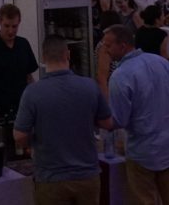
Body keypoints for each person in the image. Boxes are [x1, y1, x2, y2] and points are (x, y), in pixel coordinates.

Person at [14, 35, 114, 205]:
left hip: (51, 179)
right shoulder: (89, 86)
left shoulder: (32, 92)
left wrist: (33, 144)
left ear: (43, 58)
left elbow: (19, 136)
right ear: (68, 54)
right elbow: (108, 123)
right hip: (87, 176)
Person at [104, 24, 169, 205]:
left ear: (123, 46)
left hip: (142, 154)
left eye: (108, 46)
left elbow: (119, 120)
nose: (105, 50)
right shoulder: (162, 62)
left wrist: (100, 119)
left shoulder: (120, 76)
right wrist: (164, 110)